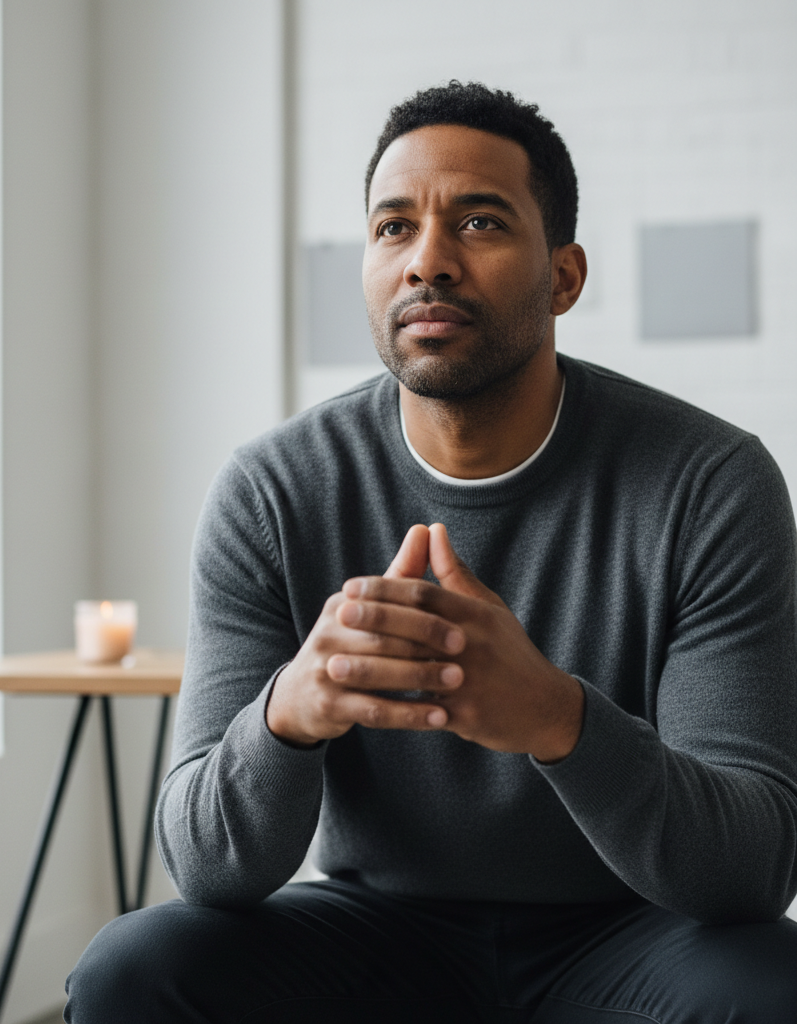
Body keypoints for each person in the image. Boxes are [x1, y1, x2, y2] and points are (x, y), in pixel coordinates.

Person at [65, 81, 797, 1022]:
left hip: (632, 935)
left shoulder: (710, 482)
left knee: (775, 983)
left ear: (564, 277)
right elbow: (207, 866)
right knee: (135, 965)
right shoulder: (272, 491)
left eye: (481, 223)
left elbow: (751, 871)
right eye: (393, 228)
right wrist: (291, 713)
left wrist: (556, 717)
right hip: (375, 934)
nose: (428, 263)